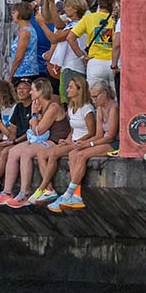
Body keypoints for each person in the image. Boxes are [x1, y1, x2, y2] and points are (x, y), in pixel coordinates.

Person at [0, 78, 67, 208]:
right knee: (12, 152)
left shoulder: (52, 106)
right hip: (42, 139)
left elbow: (38, 130)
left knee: (26, 153)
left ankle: (24, 193)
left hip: (55, 141)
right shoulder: (37, 105)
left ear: (41, 91)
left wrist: (34, 115)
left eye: (32, 90)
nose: (30, 93)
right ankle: (7, 192)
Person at [48, 79, 120, 212]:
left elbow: (110, 136)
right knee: (73, 153)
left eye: (95, 96)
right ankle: (76, 195)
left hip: (114, 142)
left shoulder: (113, 107)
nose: (93, 100)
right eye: (92, 97)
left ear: (104, 94)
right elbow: (98, 134)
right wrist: (84, 143)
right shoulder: (99, 109)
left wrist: (90, 144)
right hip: (102, 140)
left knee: (81, 155)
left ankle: (68, 193)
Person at [26, 77, 96, 205]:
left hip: (82, 142)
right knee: (42, 154)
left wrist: (76, 142)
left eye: (70, 87)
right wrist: (68, 140)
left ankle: (42, 187)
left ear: (79, 90)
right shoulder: (70, 107)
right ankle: (49, 189)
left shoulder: (87, 109)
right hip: (72, 141)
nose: (67, 89)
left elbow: (92, 132)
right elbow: (72, 129)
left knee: (53, 154)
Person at [39, 0, 90, 105]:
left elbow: (54, 38)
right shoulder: (71, 23)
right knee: (65, 100)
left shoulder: (77, 25)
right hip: (67, 67)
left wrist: (42, 25)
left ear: (75, 9)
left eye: (67, 6)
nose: (64, 9)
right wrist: (51, 3)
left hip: (73, 68)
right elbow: (57, 24)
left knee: (72, 102)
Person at [66, 0, 117, 89]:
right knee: (114, 99)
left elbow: (70, 38)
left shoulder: (88, 18)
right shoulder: (117, 19)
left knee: (95, 97)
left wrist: (82, 57)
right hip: (113, 63)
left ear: (98, 2)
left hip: (95, 63)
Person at [7, 2, 43, 83]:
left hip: (23, 72)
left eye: (14, 12)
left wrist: (11, 74)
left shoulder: (25, 32)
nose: (12, 14)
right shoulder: (29, 29)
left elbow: (19, 56)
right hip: (29, 71)